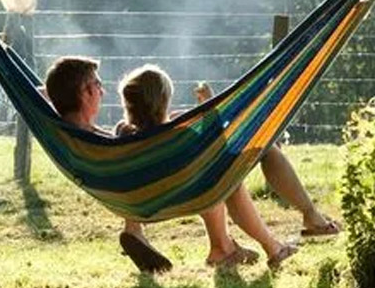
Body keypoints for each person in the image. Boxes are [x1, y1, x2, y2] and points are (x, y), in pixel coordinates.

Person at [43, 57, 295, 272]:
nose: (102, 91)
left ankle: (223, 246)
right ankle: (251, 247)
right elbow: (208, 143)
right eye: (98, 85)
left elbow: (132, 141)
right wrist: (209, 112)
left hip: (134, 195)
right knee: (218, 174)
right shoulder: (104, 138)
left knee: (211, 174)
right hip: (159, 194)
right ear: (86, 91)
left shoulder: (76, 135)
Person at [116, 64, 298, 270]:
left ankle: (225, 247)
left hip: (142, 204)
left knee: (211, 180)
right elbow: (215, 150)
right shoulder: (177, 134)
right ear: (163, 101)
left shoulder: (123, 134)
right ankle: (266, 247)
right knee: (223, 180)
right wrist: (210, 111)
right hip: (185, 197)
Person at [194, 81, 341, 237]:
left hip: (185, 166)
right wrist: (210, 113)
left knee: (257, 152)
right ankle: (306, 219)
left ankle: (229, 245)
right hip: (195, 166)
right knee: (261, 152)